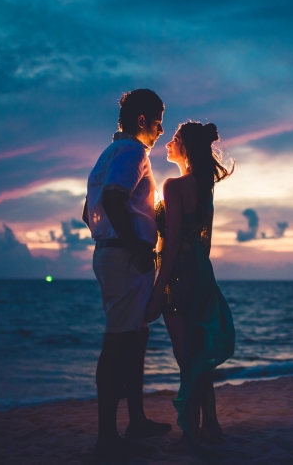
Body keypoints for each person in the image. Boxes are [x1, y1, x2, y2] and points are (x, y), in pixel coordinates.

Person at [82, 89, 172, 459]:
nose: (162, 128)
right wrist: (134, 247)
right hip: (125, 258)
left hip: (112, 255)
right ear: (142, 121)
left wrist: (108, 241)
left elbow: (88, 212)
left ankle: (135, 420)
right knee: (118, 341)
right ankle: (107, 437)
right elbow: (116, 198)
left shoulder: (107, 154)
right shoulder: (133, 152)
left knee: (135, 336)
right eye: (158, 120)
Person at [144, 121, 236, 449]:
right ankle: (210, 426)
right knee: (196, 356)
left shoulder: (174, 186)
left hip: (178, 273)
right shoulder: (205, 186)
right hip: (201, 272)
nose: (169, 142)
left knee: (186, 356)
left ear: (186, 148)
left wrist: (157, 291)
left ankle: (192, 432)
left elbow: (171, 244)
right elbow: (202, 241)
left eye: (176, 139)